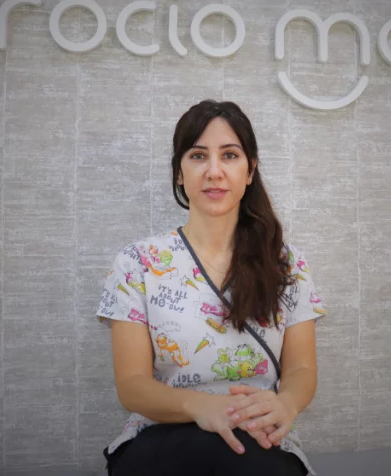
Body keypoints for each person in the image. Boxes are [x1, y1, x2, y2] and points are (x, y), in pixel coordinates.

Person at [95, 99, 328, 476]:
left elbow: (301, 367)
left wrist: (286, 404)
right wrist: (201, 407)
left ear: (250, 171)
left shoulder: (286, 263)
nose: (214, 171)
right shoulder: (137, 263)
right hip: (163, 435)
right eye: (198, 156)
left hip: (257, 436)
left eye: (230, 155)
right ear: (179, 172)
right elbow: (132, 386)